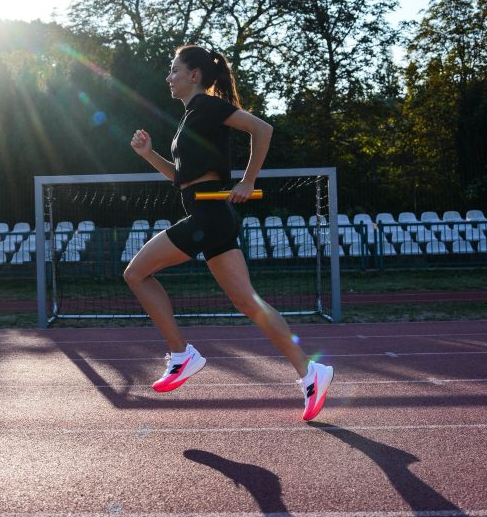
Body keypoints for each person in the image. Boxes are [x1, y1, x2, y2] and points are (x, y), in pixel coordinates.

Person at [125, 44, 334, 421]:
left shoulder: (205, 105)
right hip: (212, 217)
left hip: (208, 217)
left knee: (135, 273)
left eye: (174, 70)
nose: (168, 77)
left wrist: (248, 179)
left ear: (194, 75)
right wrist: (149, 155)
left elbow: (262, 128)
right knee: (248, 302)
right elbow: (181, 179)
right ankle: (310, 371)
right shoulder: (191, 117)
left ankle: (181, 353)